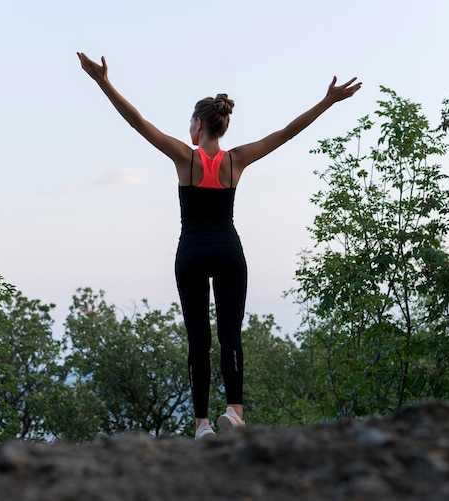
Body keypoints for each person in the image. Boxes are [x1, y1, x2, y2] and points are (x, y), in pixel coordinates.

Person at [77, 52, 361, 440]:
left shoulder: (185, 158)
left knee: (198, 338)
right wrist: (326, 102)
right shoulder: (236, 161)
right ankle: (234, 411)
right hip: (229, 251)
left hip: (191, 252)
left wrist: (103, 82)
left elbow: (137, 122)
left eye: (189, 123)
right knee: (230, 332)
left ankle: (201, 425)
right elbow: (286, 133)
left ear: (198, 124)